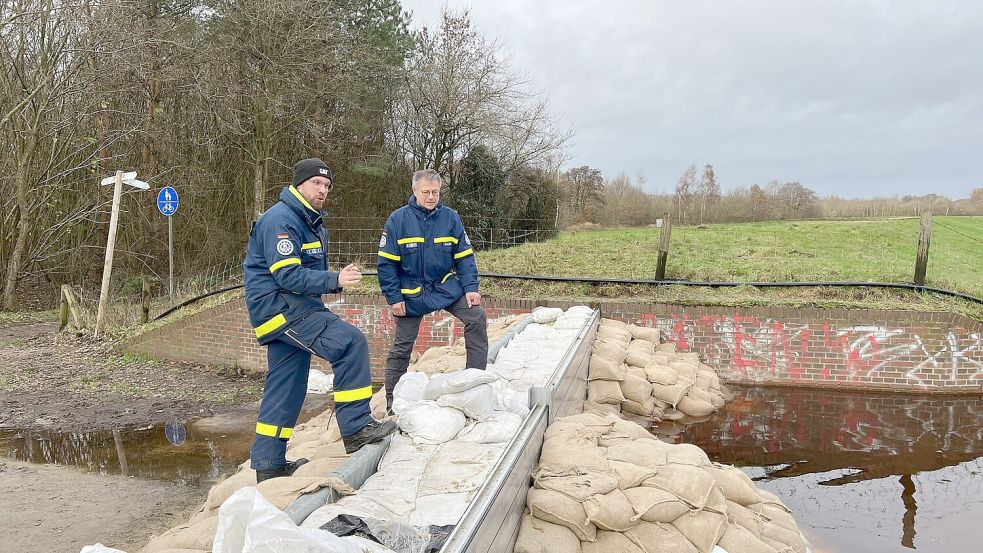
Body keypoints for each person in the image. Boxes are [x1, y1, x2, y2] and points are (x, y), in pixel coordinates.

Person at [244, 158, 395, 483]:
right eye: (317, 184)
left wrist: (331, 280)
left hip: (288, 309)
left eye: (327, 186)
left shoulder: (309, 222)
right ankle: (356, 427)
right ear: (299, 184)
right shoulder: (281, 221)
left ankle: (268, 466)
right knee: (350, 343)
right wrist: (335, 279)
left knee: (287, 387)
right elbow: (287, 275)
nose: (323, 190)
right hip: (282, 308)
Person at [377, 169, 488, 411]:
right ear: (414, 191)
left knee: (477, 317)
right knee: (402, 346)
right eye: (426, 192)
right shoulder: (397, 220)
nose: (430, 197)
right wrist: (394, 298)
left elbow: (465, 258)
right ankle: (391, 399)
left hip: (445, 287)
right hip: (410, 293)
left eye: (435, 192)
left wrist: (470, 288)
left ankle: (476, 382)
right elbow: (386, 265)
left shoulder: (451, 218)